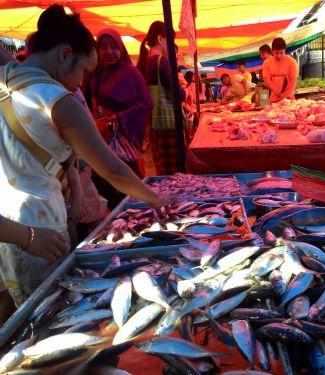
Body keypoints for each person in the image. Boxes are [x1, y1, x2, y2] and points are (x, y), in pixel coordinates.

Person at [0, 5, 170, 315]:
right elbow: (114, 171)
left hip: (6, 228)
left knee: (16, 318)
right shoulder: (59, 102)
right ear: (64, 55)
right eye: (83, 72)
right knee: (46, 320)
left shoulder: (8, 77)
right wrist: (159, 201)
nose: (82, 83)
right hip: (39, 231)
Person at [86, 28, 153, 209]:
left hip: (123, 137)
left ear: (121, 49)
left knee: (127, 181)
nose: (109, 52)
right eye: (103, 47)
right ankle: (119, 215)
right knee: (103, 181)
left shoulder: (130, 73)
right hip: (101, 135)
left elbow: (146, 103)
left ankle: (137, 214)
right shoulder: (94, 74)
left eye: (114, 47)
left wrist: (119, 118)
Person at [137, 21, 187, 176]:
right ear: (160, 39)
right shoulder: (160, 62)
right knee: (176, 175)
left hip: (156, 125)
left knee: (165, 174)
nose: (171, 45)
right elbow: (178, 94)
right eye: (169, 40)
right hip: (168, 127)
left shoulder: (146, 62)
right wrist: (186, 92)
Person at [262, 38, 299, 103]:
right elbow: (267, 80)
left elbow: (293, 80)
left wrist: (286, 95)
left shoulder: (292, 62)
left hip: (289, 99)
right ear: (272, 51)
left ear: (285, 50)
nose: (279, 56)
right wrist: (278, 92)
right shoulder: (266, 63)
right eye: (276, 53)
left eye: (281, 53)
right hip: (274, 99)